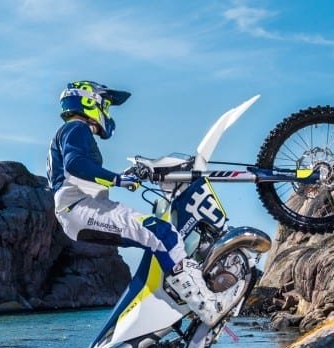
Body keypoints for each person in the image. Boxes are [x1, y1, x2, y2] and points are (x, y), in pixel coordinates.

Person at [46, 80, 241, 326]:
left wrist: (126, 175)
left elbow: (82, 173)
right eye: (105, 105)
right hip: (80, 208)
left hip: (84, 207)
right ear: (89, 101)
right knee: (161, 232)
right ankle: (205, 306)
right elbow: (75, 164)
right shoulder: (77, 127)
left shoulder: (71, 132)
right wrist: (117, 179)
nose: (107, 111)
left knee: (158, 238)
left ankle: (177, 296)